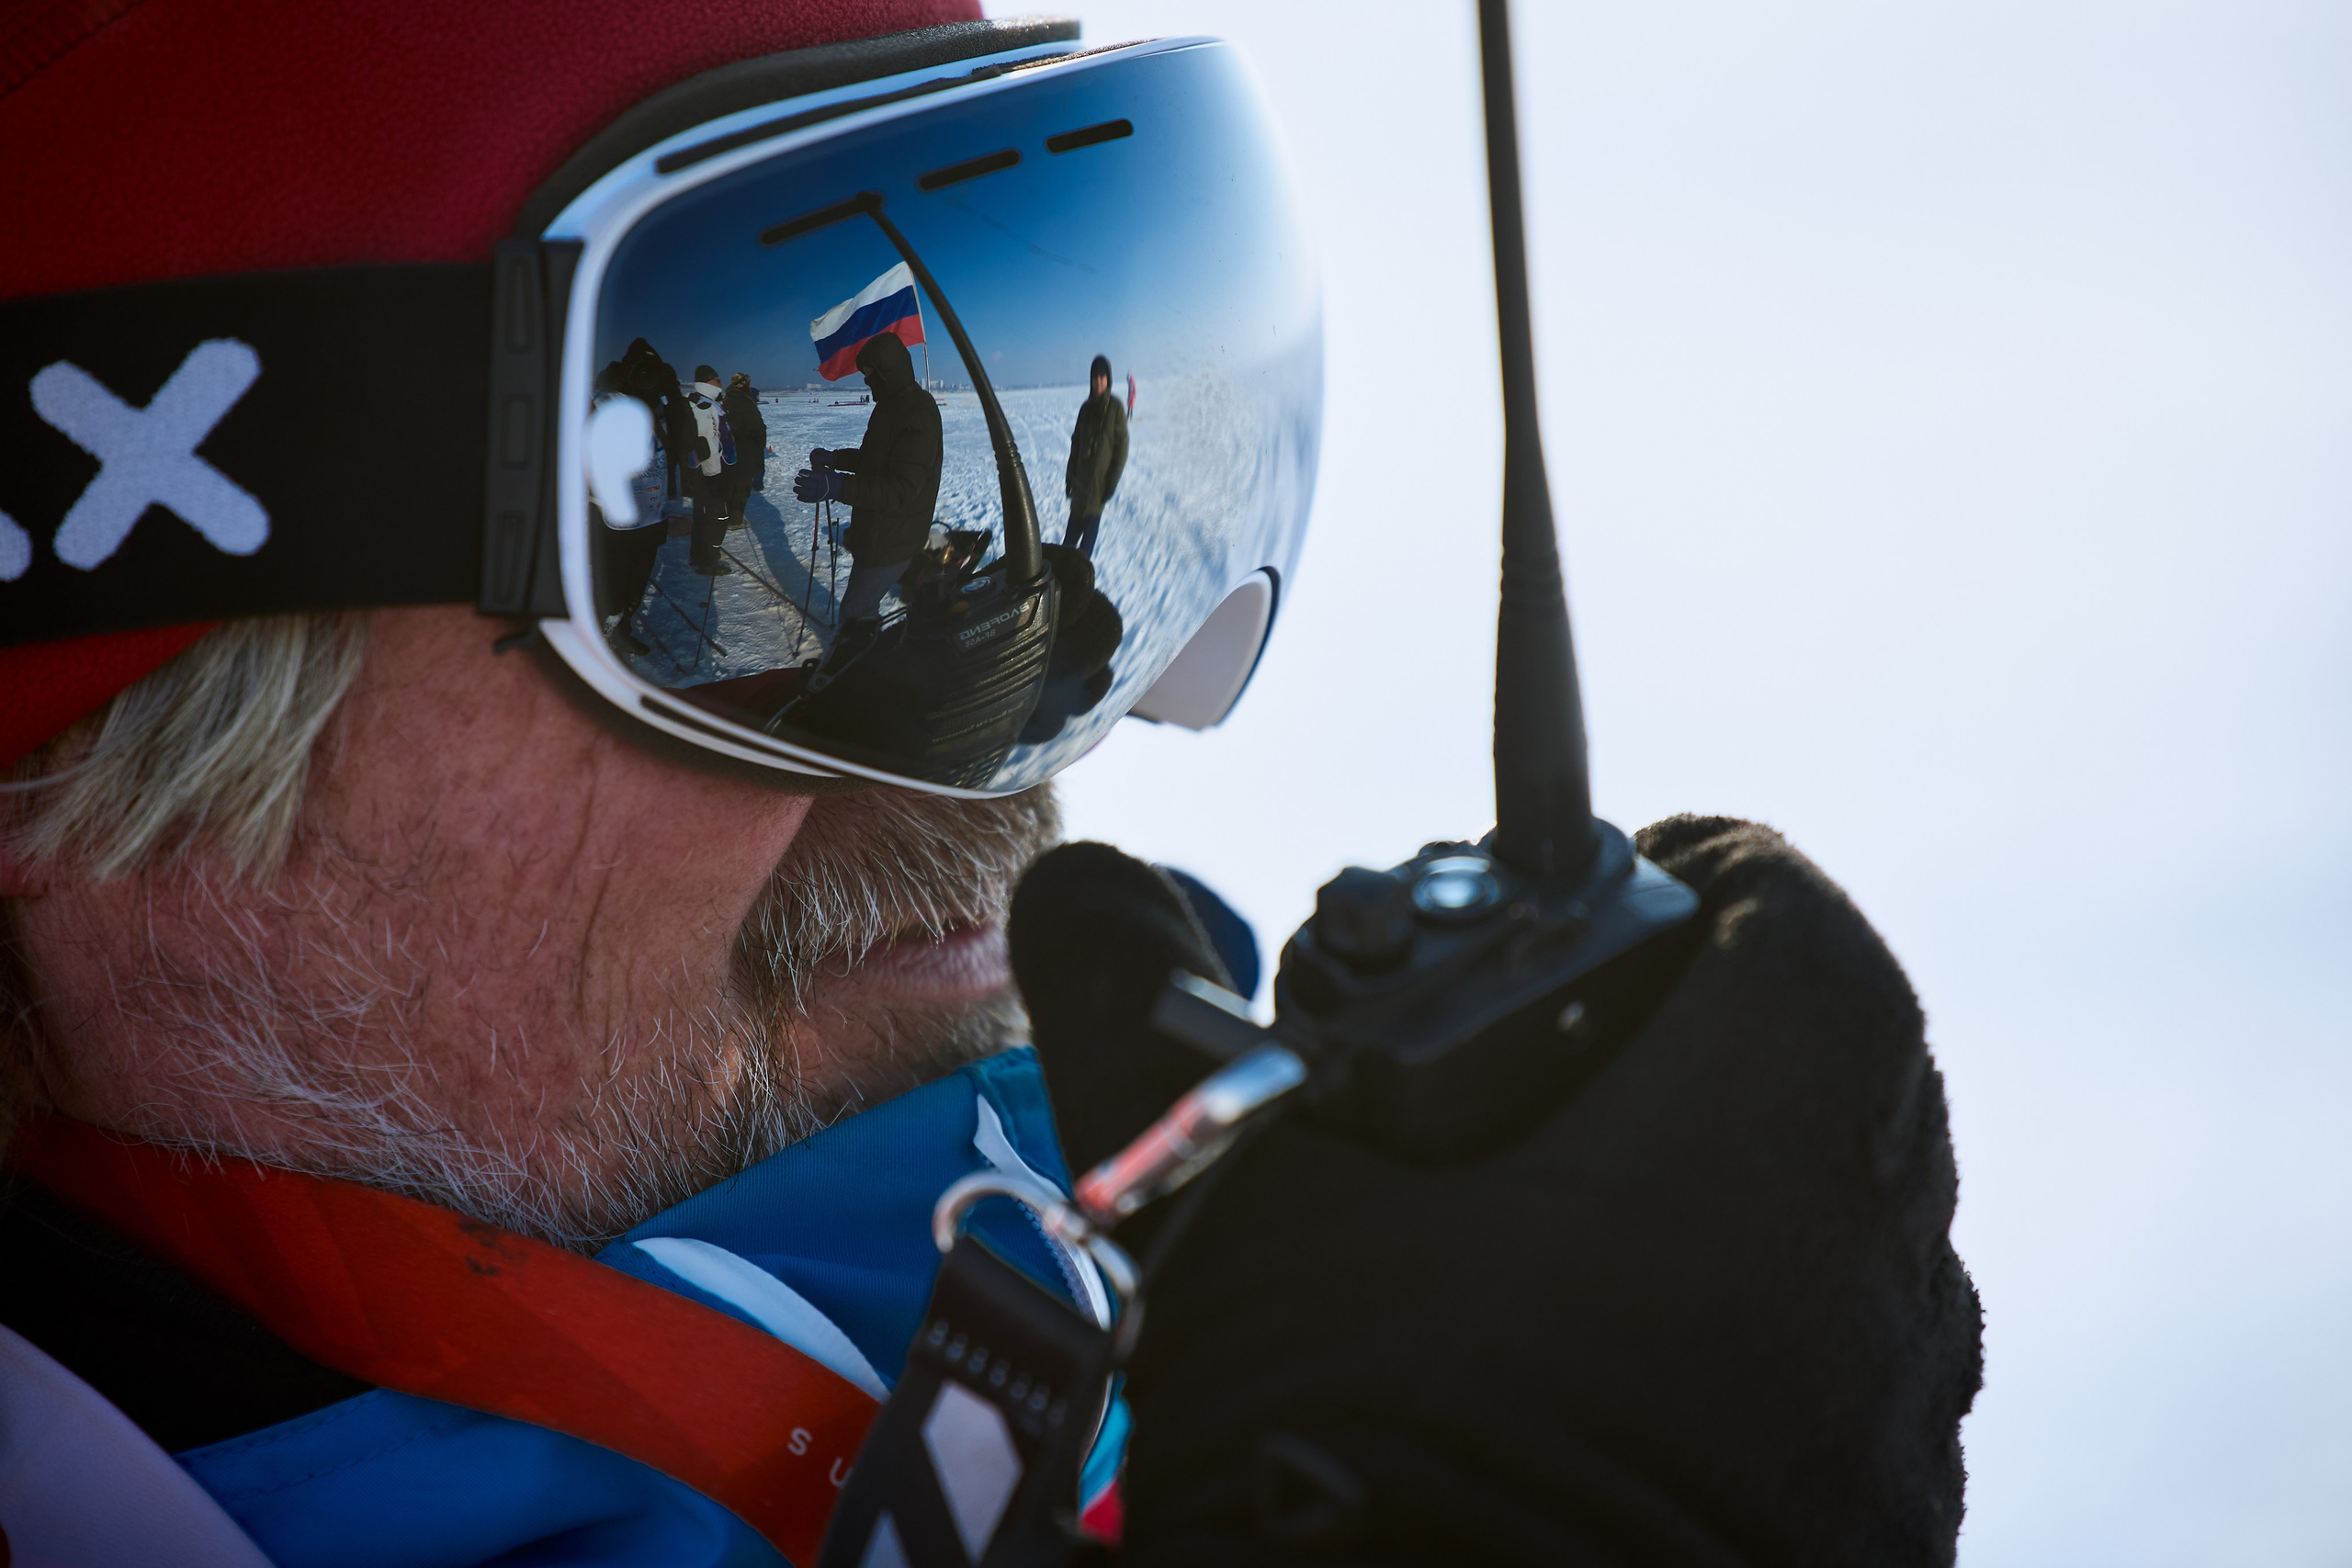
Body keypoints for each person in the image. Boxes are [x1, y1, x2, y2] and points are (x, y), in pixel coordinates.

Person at [0, 3, 1977, 1564]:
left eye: (1063, 283)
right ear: (80, 783)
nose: (1007, 776)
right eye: (689, 598)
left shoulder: (1258, 1343)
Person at [794, 332, 940, 660]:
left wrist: (838, 487)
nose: (866, 382)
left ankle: (862, 672)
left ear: (886, 373)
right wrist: (836, 459)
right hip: (879, 528)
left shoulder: (917, 410)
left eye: (869, 375)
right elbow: (875, 459)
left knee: (856, 612)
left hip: (893, 535)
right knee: (861, 608)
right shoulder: (891, 406)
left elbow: (902, 488)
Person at [1064, 352, 1128, 559]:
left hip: (1097, 493)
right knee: (1066, 548)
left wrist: (1111, 482)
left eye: (1102, 377)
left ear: (1108, 379)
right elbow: (1076, 445)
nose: (1098, 382)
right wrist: (1069, 476)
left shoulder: (1116, 409)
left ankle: (1076, 589)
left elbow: (1121, 449)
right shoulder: (1085, 410)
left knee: (1083, 557)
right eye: (1095, 377)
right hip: (1079, 492)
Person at [684, 365, 736, 575]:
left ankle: (698, 555)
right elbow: (709, 443)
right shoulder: (707, 407)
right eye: (717, 380)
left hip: (698, 472)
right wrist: (714, 475)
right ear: (706, 383)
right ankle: (709, 560)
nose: (721, 383)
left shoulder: (694, 402)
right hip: (710, 472)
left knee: (701, 515)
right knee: (718, 517)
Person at [725, 370, 769, 526]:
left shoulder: (725, 400)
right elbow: (758, 430)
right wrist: (758, 449)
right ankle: (735, 520)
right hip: (745, 451)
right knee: (742, 487)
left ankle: (727, 516)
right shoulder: (746, 403)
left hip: (727, 452)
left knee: (730, 484)